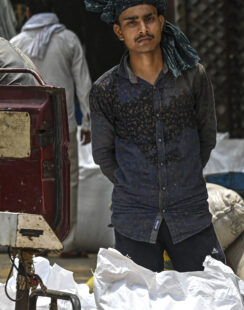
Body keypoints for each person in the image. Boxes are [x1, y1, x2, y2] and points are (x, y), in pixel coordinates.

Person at [85, 0, 224, 272]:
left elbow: (206, 138)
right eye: (132, 22)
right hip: (134, 219)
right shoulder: (106, 89)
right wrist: (136, 183)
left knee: (211, 299)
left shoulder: (192, 77)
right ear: (119, 31)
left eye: (149, 19)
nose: (142, 29)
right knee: (138, 307)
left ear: (161, 22)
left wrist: (182, 175)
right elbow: (103, 154)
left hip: (190, 215)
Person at [12, 0, 93, 253]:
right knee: (67, 183)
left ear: (27, 12)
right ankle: (65, 243)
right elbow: (84, 83)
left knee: (27, 181)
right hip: (62, 124)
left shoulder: (16, 44)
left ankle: (27, 241)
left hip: (24, 128)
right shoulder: (68, 39)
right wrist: (88, 120)